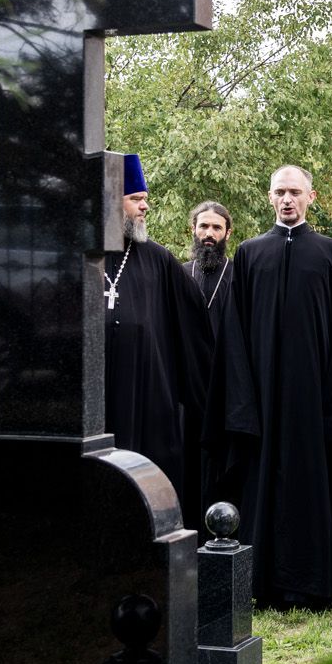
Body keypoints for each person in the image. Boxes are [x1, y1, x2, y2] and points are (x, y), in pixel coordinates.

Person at [205, 164, 332, 610]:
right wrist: (241, 404)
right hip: (261, 402)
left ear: (310, 197)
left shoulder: (330, 253)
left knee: (313, 485)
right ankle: (262, 584)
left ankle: (317, 583)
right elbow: (234, 335)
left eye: (295, 192)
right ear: (269, 197)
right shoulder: (249, 253)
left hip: (313, 402)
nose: (287, 199)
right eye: (280, 191)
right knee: (260, 486)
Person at [103, 154, 215, 528]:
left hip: (148, 399)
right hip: (96, 400)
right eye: (136, 198)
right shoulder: (80, 256)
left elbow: (194, 330)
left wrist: (200, 398)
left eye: (145, 198)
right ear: (109, 199)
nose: (145, 206)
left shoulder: (158, 259)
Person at [184, 199, 233, 320]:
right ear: (193, 229)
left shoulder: (237, 275)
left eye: (217, 228)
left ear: (227, 233)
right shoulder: (180, 273)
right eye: (204, 226)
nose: (209, 233)